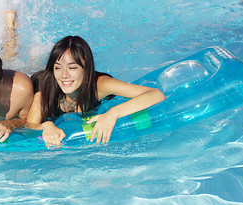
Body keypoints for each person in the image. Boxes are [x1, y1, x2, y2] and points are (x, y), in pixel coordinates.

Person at [26, 36, 165, 147]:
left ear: (86, 69)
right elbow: (29, 126)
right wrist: (46, 126)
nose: (64, 75)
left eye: (72, 68)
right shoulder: (42, 94)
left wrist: (113, 113)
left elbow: (155, 94)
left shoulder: (100, 85)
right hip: (37, 80)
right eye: (58, 68)